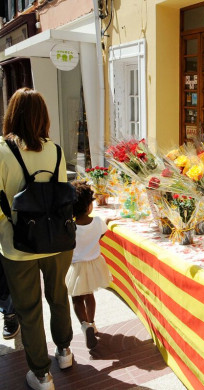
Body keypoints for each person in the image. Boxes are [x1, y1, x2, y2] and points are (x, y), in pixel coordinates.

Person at [0, 88, 73, 390]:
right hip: (57, 241)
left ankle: (42, 375)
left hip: (18, 245)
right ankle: (65, 351)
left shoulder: (2, 151)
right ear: (43, 117)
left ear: (12, 114)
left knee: (29, 309)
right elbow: (61, 193)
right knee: (58, 296)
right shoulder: (55, 150)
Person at [66, 181, 112, 350]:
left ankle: (85, 326)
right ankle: (92, 323)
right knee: (89, 295)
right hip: (94, 265)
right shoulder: (98, 222)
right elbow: (101, 234)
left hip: (76, 267)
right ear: (89, 206)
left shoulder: (69, 227)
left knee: (77, 299)